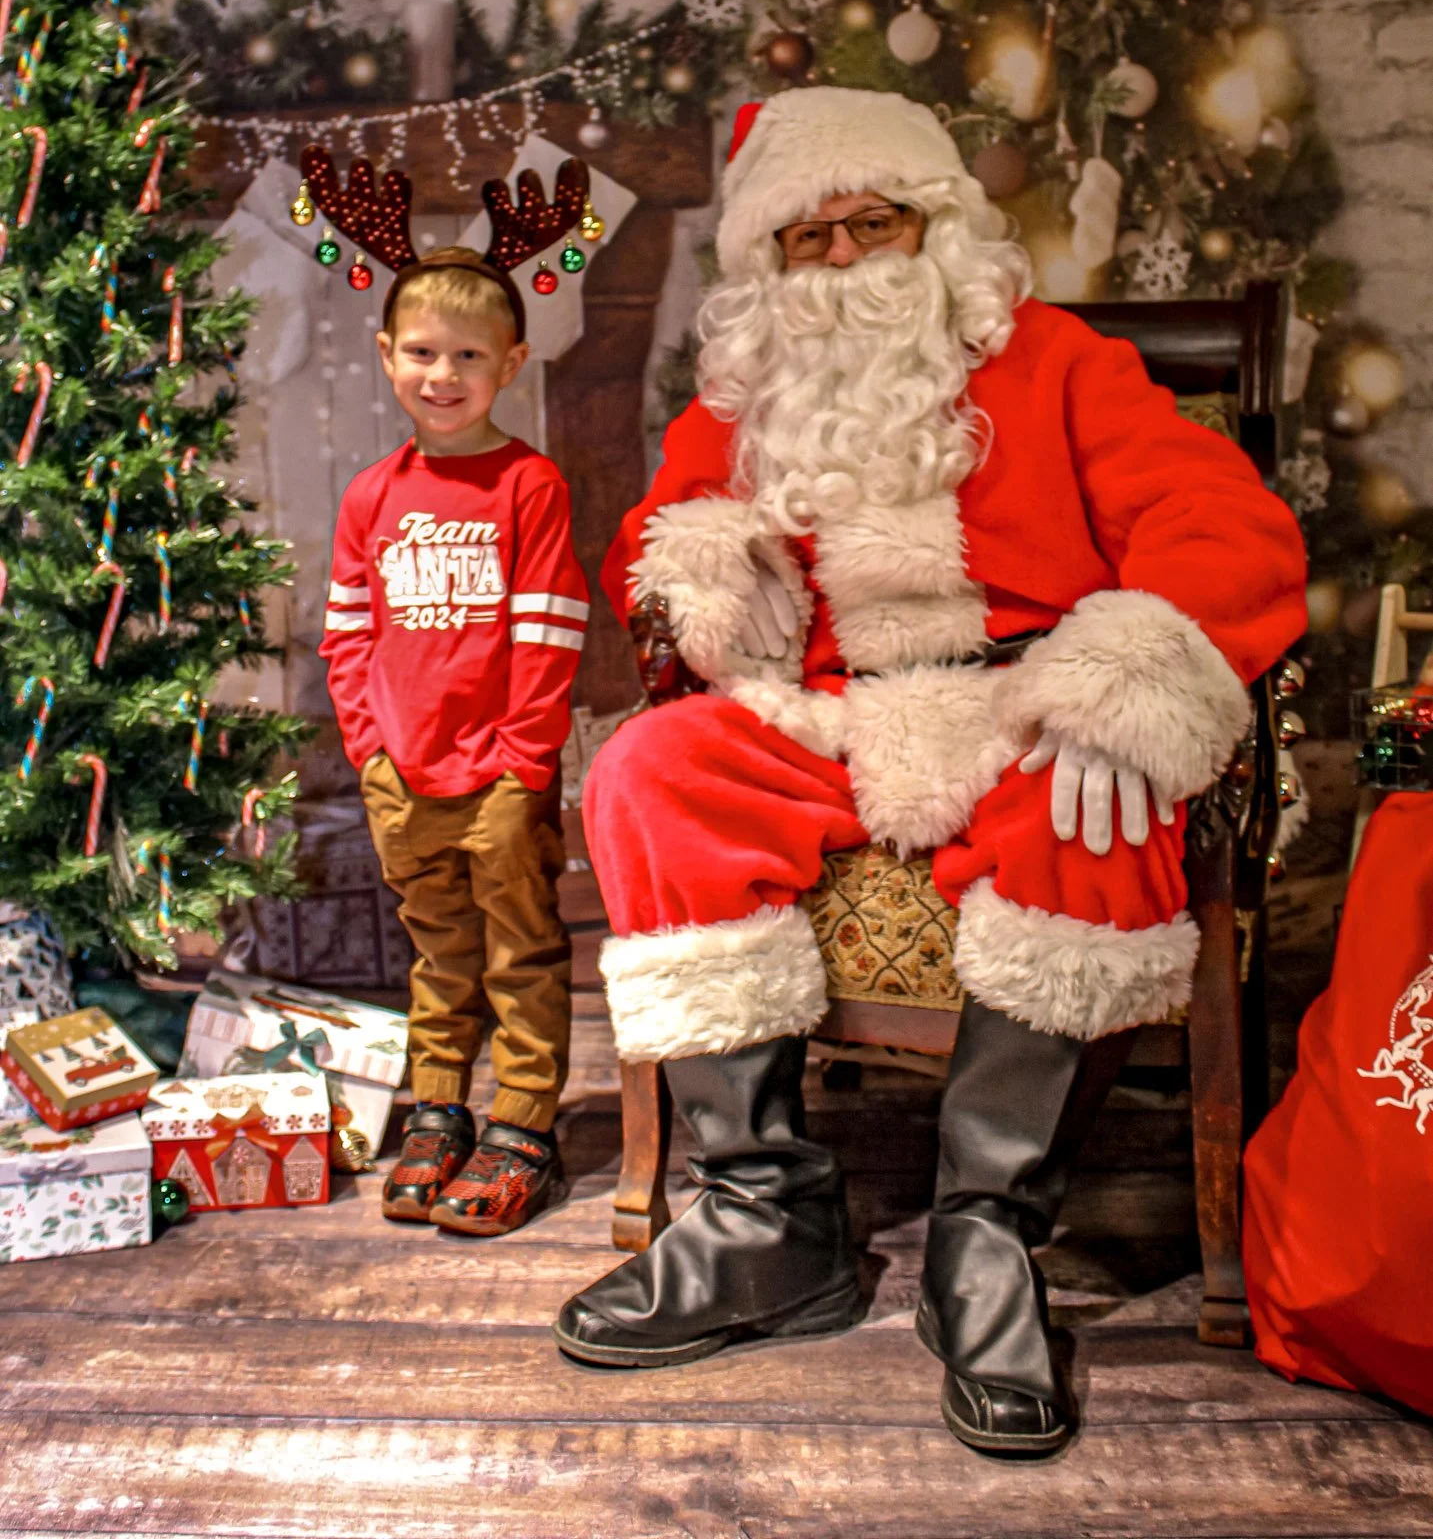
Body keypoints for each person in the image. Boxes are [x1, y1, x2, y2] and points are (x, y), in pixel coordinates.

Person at [552, 88, 1306, 1455]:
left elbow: (1220, 520)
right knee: (650, 771)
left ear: (935, 226)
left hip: (1017, 704)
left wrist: (1124, 669)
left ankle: (985, 1237)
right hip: (825, 718)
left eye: (873, 222)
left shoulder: (1056, 362)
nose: (843, 258)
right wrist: (699, 574)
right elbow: (657, 542)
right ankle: (763, 1219)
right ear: (770, 260)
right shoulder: (748, 395)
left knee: (1096, 803)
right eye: (808, 236)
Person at [320, 248, 588, 1236]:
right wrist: (370, 747)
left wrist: (523, 758)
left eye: (468, 355)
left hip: (501, 775)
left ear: (510, 362)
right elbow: (346, 632)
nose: (442, 374)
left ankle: (523, 1122)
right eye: (423, 352)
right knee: (437, 952)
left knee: (519, 949)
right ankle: (440, 1107)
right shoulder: (370, 494)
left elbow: (549, 630)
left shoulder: (527, 483)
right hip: (402, 772)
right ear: (387, 354)